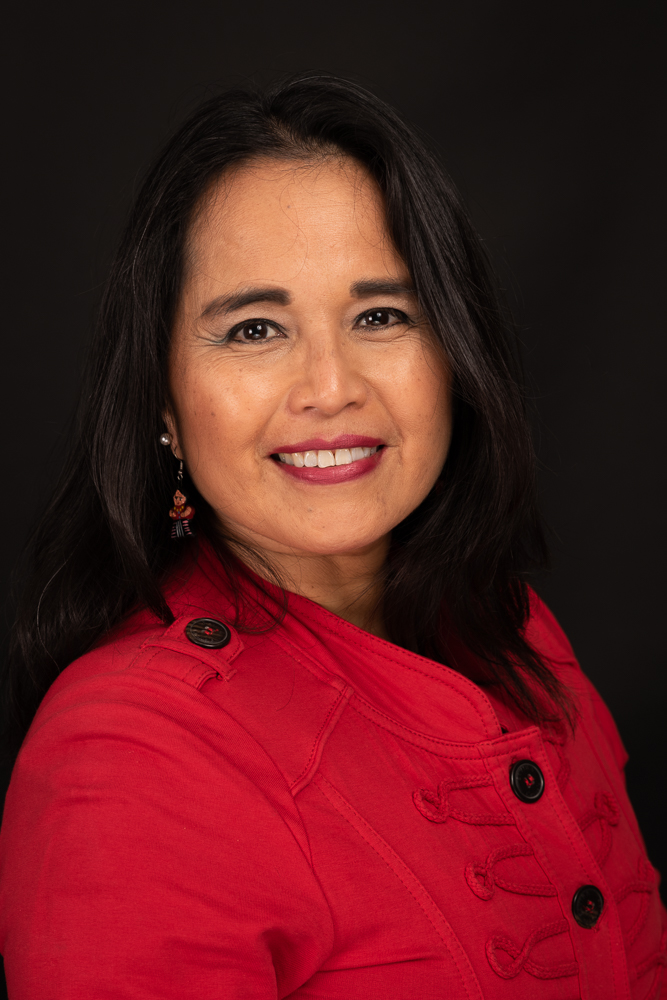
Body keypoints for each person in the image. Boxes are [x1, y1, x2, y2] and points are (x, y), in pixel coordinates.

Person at [0, 74, 664, 1000]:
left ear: (454, 352)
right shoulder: (130, 756)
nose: (330, 386)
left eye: (380, 316)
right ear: (162, 400)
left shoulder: (512, 625)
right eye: (254, 329)